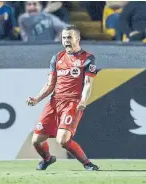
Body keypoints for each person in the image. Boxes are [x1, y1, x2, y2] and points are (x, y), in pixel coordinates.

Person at [26, 26, 99, 171]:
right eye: (64, 38)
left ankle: (88, 164)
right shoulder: (57, 57)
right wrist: (36, 99)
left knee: (63, 140)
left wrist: (83, 100)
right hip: (54, 102)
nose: (66, 41)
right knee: (36, 141)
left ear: (77, 39)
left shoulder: (88, 58)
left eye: (69, 37)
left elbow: (88, 84)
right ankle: (47, 159)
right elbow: (50, 84)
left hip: (73, 103)